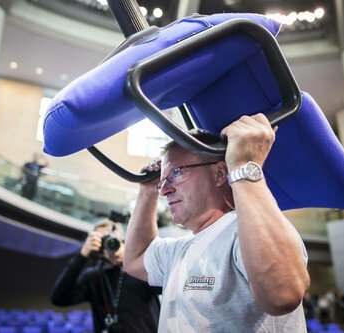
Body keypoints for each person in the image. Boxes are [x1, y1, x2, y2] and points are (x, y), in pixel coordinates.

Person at [124, 114, 309, 332]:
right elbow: (134, 260)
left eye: (176, 173)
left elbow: (283, 294)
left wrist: (243, 165)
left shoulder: (244, 231)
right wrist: (147, 192)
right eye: (162, 182)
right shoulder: (179, 250)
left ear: (220, 173)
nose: (164, 190)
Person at [50, 220, 160, 333]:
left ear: (122, 239)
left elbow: (165, 287)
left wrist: (130, 259)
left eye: (112, 237)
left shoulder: (139, 267)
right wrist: (82, 256)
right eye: (102, 239)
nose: (109, 242)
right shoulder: (93, 276)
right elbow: (59, 298)